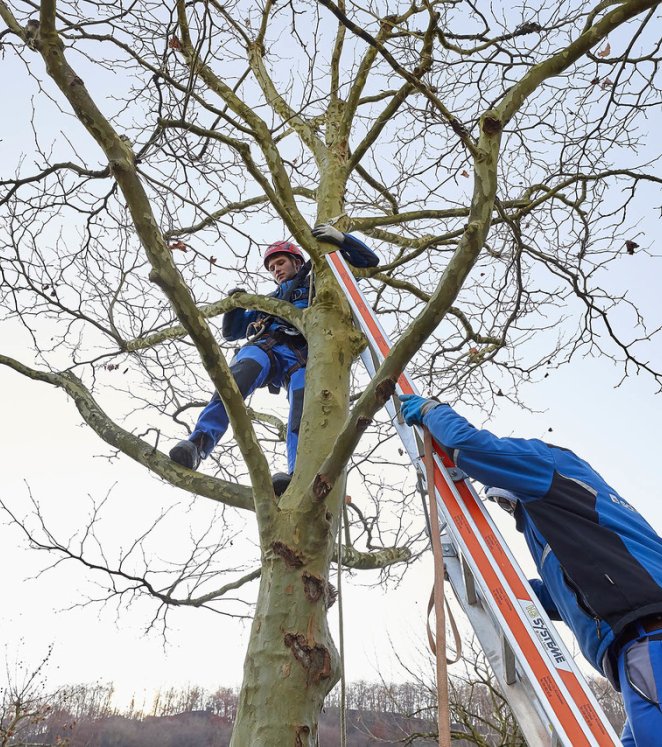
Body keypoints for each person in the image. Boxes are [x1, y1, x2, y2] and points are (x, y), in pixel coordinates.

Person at [398, 393, 662, 746]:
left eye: (507, 502)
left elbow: (470, 447)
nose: (511, 513)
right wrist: (473, 575)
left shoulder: (547, 466)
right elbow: (560, 599)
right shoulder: (575, 529)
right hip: (634, 651)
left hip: (648, 637)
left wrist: (433, 411)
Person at [170, 224, 378, 494]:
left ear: (296, 261)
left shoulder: (322, 282)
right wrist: (236, 304)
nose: (276, 270)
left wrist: (341, 239)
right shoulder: (267, 302)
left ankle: (297, 473)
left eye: (280, 263)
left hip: (303, 356)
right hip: (268, 345)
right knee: (233, 382)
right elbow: (232, 332)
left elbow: (369, 262)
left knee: (304, 412)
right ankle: (198, 443)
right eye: (271, 268)